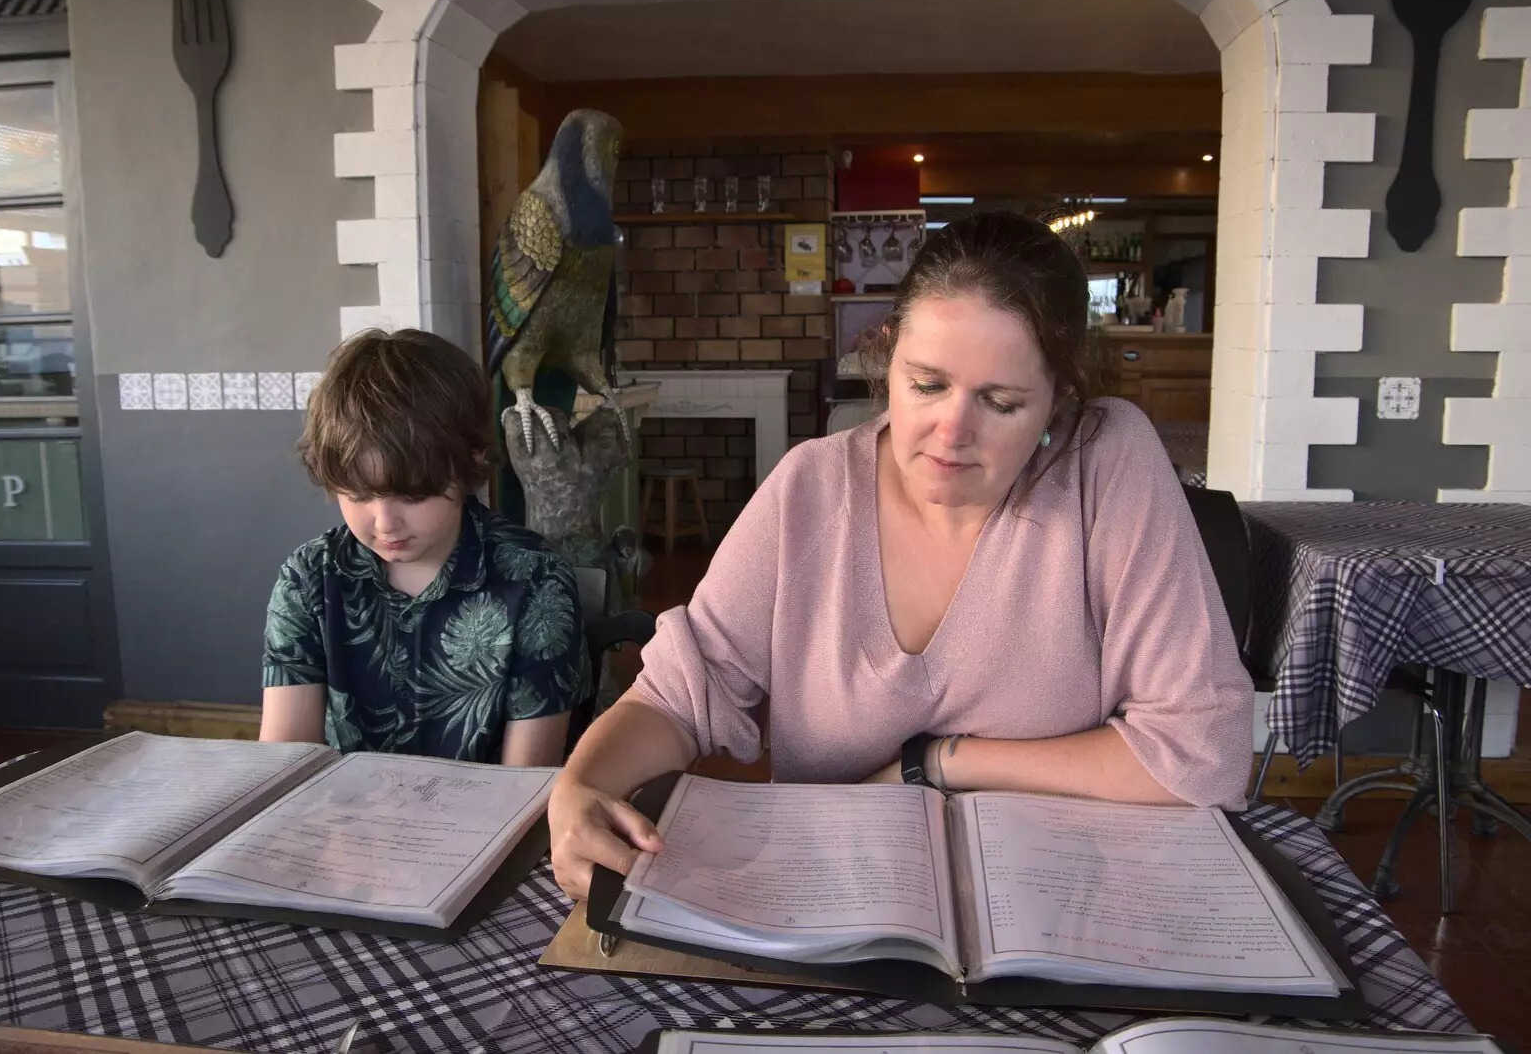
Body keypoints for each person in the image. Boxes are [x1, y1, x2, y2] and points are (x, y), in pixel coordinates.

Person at [548, 210, 1253, 900]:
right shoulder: (810, 489)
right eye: (927, 385)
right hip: (837, 905)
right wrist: (581, 787)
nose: (952, 432)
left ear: (1058, 401)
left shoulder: (1104, 462)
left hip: (1066, 902)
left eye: (1001, 402)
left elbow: (1202, 757)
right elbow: (676, 698)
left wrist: (937, 764)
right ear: (887, 361)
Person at [258, 328, 586, 767]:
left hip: (486, 822)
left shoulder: (533, 580)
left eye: (413, 495)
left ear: (470, 461)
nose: (384, 522)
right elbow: (284, 763)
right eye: (357, 495)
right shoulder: (310, 578)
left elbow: (526, 781)